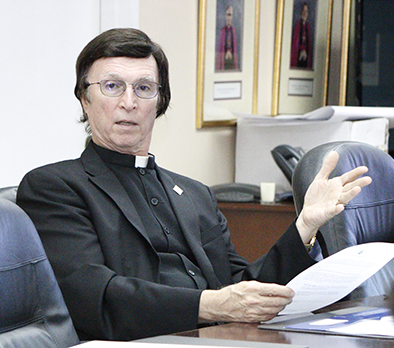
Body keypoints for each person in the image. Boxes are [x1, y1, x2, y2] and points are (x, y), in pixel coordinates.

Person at [16, 28, 371, 341]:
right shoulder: (54, 187)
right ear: (84, 97)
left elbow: (243, 285)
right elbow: (97, 297)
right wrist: (212, 304)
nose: (129, 102)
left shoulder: (195, 194)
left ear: (160, 103)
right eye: (112, 87)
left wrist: (304, 224)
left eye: (144, 88)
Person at [216, 4, 238, 71]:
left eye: (230, 15)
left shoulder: (233, 31)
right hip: (224, 61)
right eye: (228, 15)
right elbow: (220, 49)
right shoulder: (222, 31)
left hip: (231, 61)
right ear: (225, 16)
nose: (229, 17)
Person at [290, 2, 313, 69]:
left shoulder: (308, 26)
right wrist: (301, 51)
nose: (305, 13)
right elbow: (295, 43)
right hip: (298, 57)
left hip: (306, 57)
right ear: (301, 12)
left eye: (306, 11)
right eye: (303, 11)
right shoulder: (297, 25)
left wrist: (305, 51)